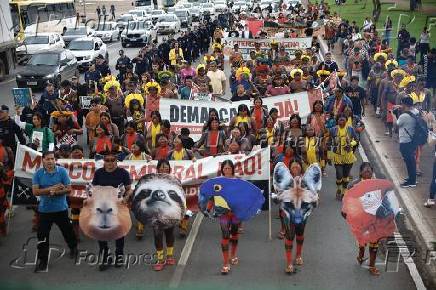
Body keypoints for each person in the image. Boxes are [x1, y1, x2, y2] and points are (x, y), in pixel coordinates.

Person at [32, 151, 78, 272]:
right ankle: (43, 261)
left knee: (67, 230)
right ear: (43, 160)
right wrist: (51, 189)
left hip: (60, 209)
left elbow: (69, 189)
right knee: (42, 235)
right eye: (47, 159)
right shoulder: (38, 173)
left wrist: (56, 192)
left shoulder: (62, 171)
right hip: (44, 210)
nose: (50, 161)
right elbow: (35, 192)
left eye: (52, 159)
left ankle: (73, 248)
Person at [92, 150, 132, 271]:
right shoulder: (99, 173)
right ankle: (106, 257)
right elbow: (94, 188)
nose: (110, 163)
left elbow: (129, 189)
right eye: (107, 160)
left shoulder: (123, 173)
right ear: (104, 161)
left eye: (112, 160)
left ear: (116, 161)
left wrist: (126, 198)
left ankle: (119, 256)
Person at [342, 162, 381, 276]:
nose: (368, 171)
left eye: (370, 170)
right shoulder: (353, 185)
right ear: (360, 172)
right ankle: (361, 254)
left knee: (374, 243)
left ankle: (372, 266)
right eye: (365, 170)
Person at [204, 160, 241, 274]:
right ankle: (226, 263)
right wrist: (208, 209)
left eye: (229, 168)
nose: (227, 170)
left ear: (232, 169)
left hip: (235, 213)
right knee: (225, 236)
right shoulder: (217, 183)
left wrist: (250, 209)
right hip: (223, 214)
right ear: (222, 170)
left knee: (234, 233)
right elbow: (212, 198)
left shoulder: (238, 181)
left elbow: (245, 196)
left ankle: (233, 255)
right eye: (225, 168)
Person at [328, 114, 358, 200]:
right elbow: (329, 143)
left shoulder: (350, 129)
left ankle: (344, 191)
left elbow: (356, 140)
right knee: (339, 174)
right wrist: (329, 157)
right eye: (340, 119)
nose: (342, 121)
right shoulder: (333, 130)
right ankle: (339, 189)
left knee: (345, 176)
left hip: (348, 157)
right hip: (337, 156)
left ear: (346, 120)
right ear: (337, 121)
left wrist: (350, 144)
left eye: (343, 119)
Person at [392, 96, 418, 188]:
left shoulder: (404, 116)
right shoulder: (415, 112)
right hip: (413, 141)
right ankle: (412, 178)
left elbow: (396, 124)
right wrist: (401, 107)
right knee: (412, 161)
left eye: (402, 103)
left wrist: (393, 114)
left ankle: (411, 182)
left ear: (404, 104)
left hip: (405, 142)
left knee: (409, 161)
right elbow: (411, 109)